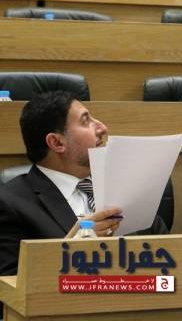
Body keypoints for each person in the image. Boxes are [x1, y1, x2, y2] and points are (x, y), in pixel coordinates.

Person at [0, 91, 168, 276]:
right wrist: (71, 250)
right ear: (57, 142)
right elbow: (9, 286)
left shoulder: (126, 183)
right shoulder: (9, 203)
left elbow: (170, 255)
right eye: (86, 121)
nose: (103, 128)